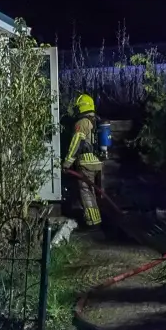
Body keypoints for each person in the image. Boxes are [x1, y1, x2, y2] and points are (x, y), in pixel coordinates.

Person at [64, 93, 104, 230]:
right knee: (92, 191)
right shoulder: (94, 121)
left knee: (86, 191)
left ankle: (93, 222)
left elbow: (76, 143)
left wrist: (67, 163)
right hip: (96, 162)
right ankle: (96, 219)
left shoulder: (81, 123)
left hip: (85, 162)